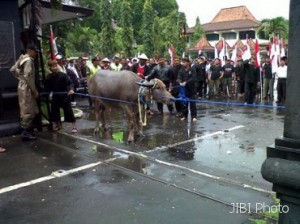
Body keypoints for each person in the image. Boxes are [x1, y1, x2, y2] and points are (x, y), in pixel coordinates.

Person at [10, 44, 39, 140]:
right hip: (27, 88)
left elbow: (13, 70)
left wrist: (20, 78)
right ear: (30, 51)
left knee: (25, 107)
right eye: (35, 51)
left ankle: (28, 130)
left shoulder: (22, 58)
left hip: (22, 86)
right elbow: (28, 76)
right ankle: (26, 132)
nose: (36, 53)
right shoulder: (28, 60)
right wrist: (34, 90)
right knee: (28, 109)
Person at [44, 59, 77, 133]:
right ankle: (58, 125)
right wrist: (45, 93)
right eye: (53, 67)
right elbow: (47, 87)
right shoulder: (49, 77)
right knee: (55, 112)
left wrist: (71, 89)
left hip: (65, 96)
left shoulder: (63, 75)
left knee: (69, 112)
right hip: (55, 97)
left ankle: (74, 126)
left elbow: (70, 83)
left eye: (55, 66)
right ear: (50, 68)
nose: (55, 68)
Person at [177, 57, 197, 122]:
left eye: (184, 62)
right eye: (182, 62)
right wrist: (180, 82)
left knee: (192, 104)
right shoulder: (181, 70)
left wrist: (186, 82)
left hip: (191, 89)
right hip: (184, 90)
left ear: (188, 62)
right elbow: (178, 78)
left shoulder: (192, 70)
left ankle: (194, 116)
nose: (183, 63)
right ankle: (184, 116)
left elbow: (193, 78)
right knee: (184, 104)